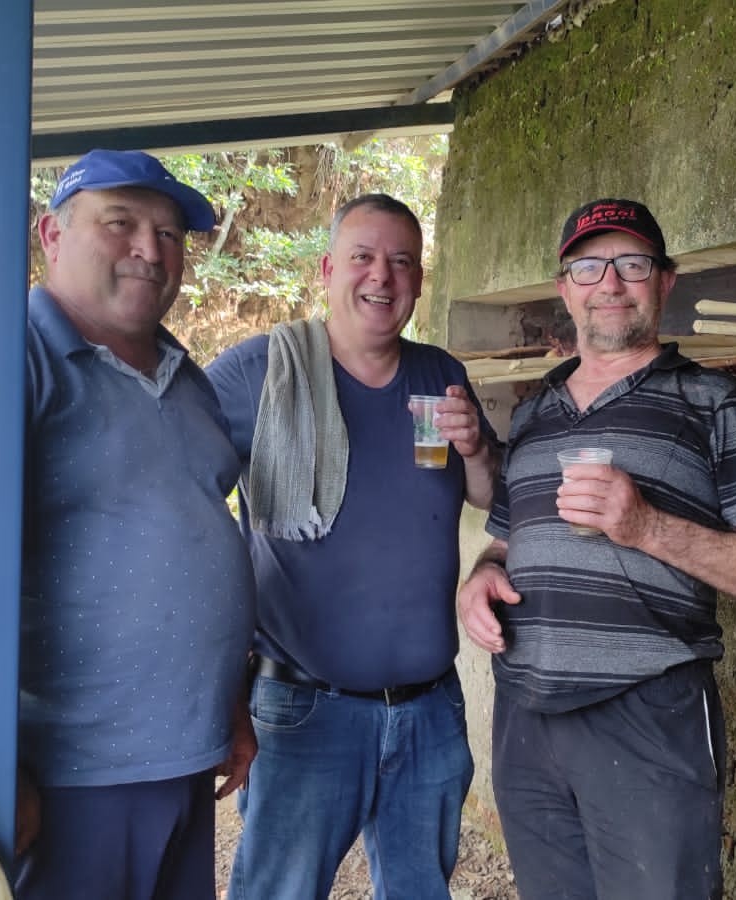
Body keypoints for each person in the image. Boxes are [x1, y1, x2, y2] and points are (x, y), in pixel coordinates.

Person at [0, 149, 256, 898]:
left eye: (168, 234)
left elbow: (180, 545)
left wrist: (223, 702)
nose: (149, 249)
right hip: (65, 785)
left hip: (182, 766)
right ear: (51, 236)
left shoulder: (186, 379)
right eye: (119, 223)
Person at [456, 198, 736, 900]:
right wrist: (479, 579)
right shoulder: (534, 412)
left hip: (648, 713)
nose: (610, 283)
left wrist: (646, 526)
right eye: (589, 267)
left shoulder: (715, 403)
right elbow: (503, 541)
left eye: (632, 264)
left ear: (665, 281)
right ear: (565, 288)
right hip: (525, 714)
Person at [205, 193, 498, 900]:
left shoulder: (439, 374)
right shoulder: (259, 374)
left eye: (401, 262)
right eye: (362, 257)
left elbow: (489, 493)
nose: (381, 277)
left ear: (419, 280)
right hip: (304, 710)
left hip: (429, 712)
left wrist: (476, 447)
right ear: (328, 269)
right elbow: (176, 498)